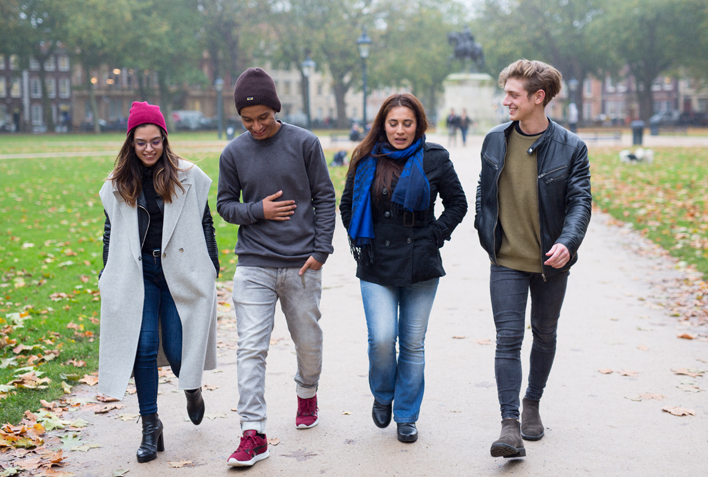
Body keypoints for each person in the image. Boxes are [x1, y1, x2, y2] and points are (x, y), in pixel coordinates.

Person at [216, 68, 336, 467]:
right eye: (247, 120)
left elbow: (324, 196)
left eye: (263, 118)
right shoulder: (234, 152)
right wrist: (258, 211)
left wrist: (320, 251)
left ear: (276, 110)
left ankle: (307, 392)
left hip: (302, 264)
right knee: (250, 347)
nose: (256, 126)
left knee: (308, 343)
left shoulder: (305, 143)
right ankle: (253, 432)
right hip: (254, 264)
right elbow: (225, 205)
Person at [474, 59, 591, 458]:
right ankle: (509, 426)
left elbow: (580, 201)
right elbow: (483, 189)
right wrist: (483, 229)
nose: (504, 100)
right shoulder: (494, 140)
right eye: (505, 92)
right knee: (508, 339)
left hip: (550, 262)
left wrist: (568, 242)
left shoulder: (572, 146)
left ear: (538, 98)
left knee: (544, 333)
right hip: (505, 258)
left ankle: (532, 404)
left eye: (512, 94)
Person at [339, 93, 467, 444]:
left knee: (412, 344)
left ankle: (406, 415)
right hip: (376, 262)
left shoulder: (435, 158)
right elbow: (347, 205)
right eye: (393, 123)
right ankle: (382, 394)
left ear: (418, 124)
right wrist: (362, 237)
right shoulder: (366, 158)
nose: (400, 130)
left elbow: (458, 204)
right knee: (381, 339)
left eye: (407, 123)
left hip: (420, 262)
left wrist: (435, 236)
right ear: (383, 124)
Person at [98, 101, 220, 463]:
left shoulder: (189, 175)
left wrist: (212, 266)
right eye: (141, 142)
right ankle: (151, 425)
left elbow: (206, 223)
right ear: (130, 144)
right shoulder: (117, 184)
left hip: (179, 273)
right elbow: (110, 231)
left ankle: (192, 388)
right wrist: (107, 273)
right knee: (145, 346)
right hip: (140, 276)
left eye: (155, 141)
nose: (149, 149)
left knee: (183, 354)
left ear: (165, 140)